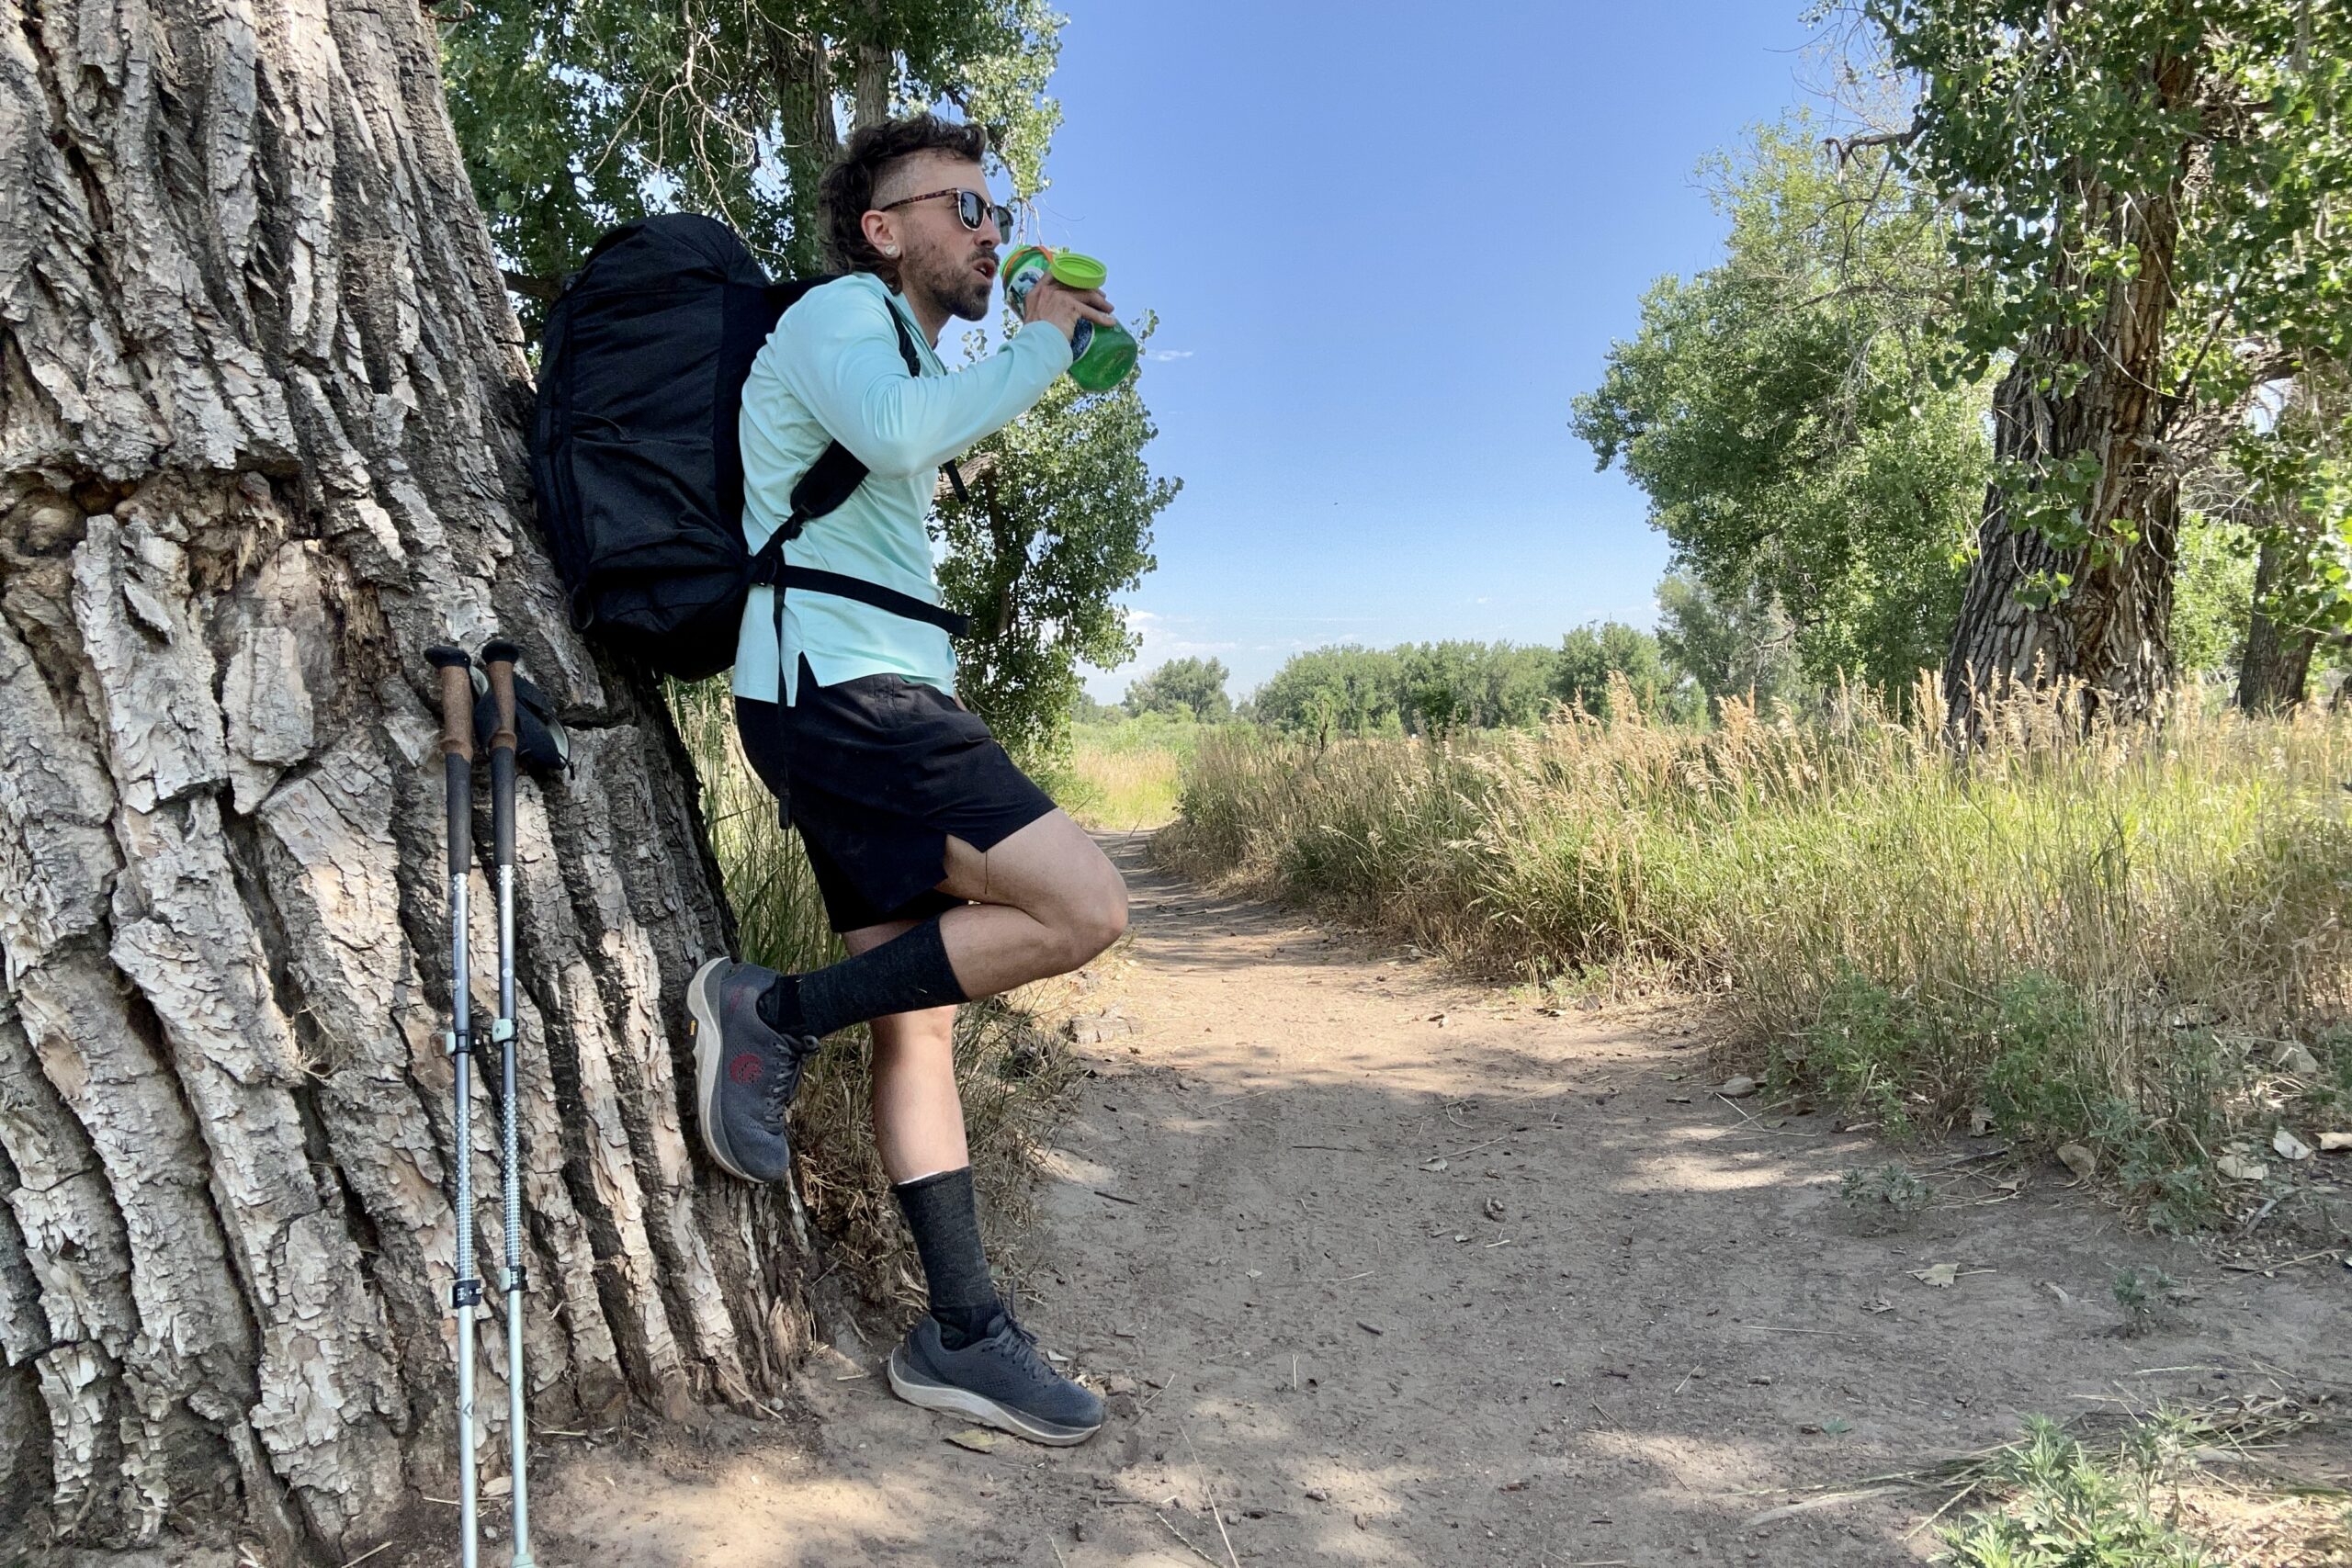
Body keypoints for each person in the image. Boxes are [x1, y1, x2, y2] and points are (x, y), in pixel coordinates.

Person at [684, 112, 1127, 1447]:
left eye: (997, 211)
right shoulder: (838, 315)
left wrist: (1030, 346)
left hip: (845, 694)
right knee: (1083, 907)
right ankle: (772, 1012)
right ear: (886, 230)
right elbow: (897, 435)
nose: (991, 232)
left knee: (919, 1022)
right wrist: (1046, 332)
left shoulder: (897, 343)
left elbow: (910, 434)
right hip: (851, 691)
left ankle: (962, 1333)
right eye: (966, 208)